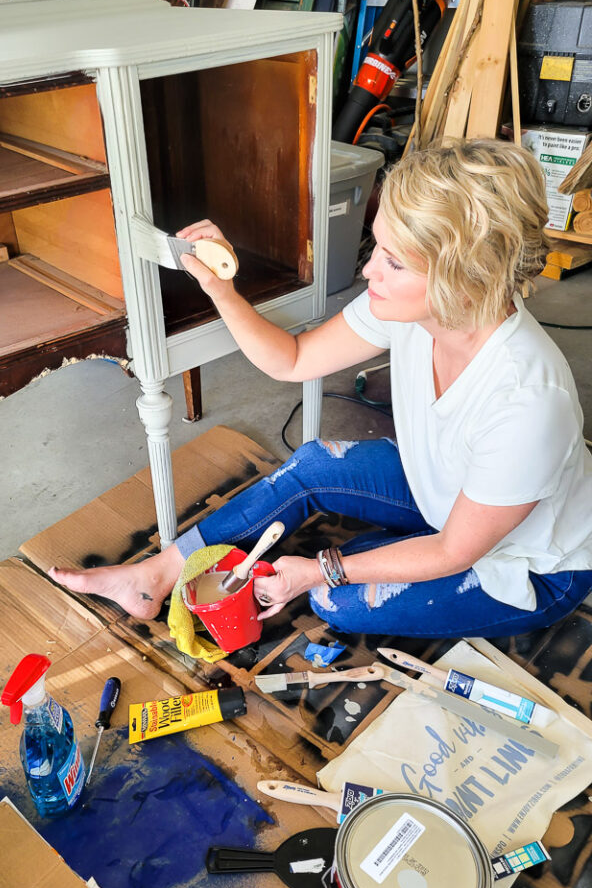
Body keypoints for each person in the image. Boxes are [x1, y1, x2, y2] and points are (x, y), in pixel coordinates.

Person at [49, 138, 592, 639]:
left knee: (337, 601)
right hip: (448, 497)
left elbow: (454, 549)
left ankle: (346, 567)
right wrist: (220, 288)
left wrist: (322, 569)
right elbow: (294, 359)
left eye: (394, 262)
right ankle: (156, 574)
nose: (368, 270)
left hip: (530, 564)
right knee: (313, 466)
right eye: (378, 247)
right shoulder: (417, 309)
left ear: (465, 275)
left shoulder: (527, 401)